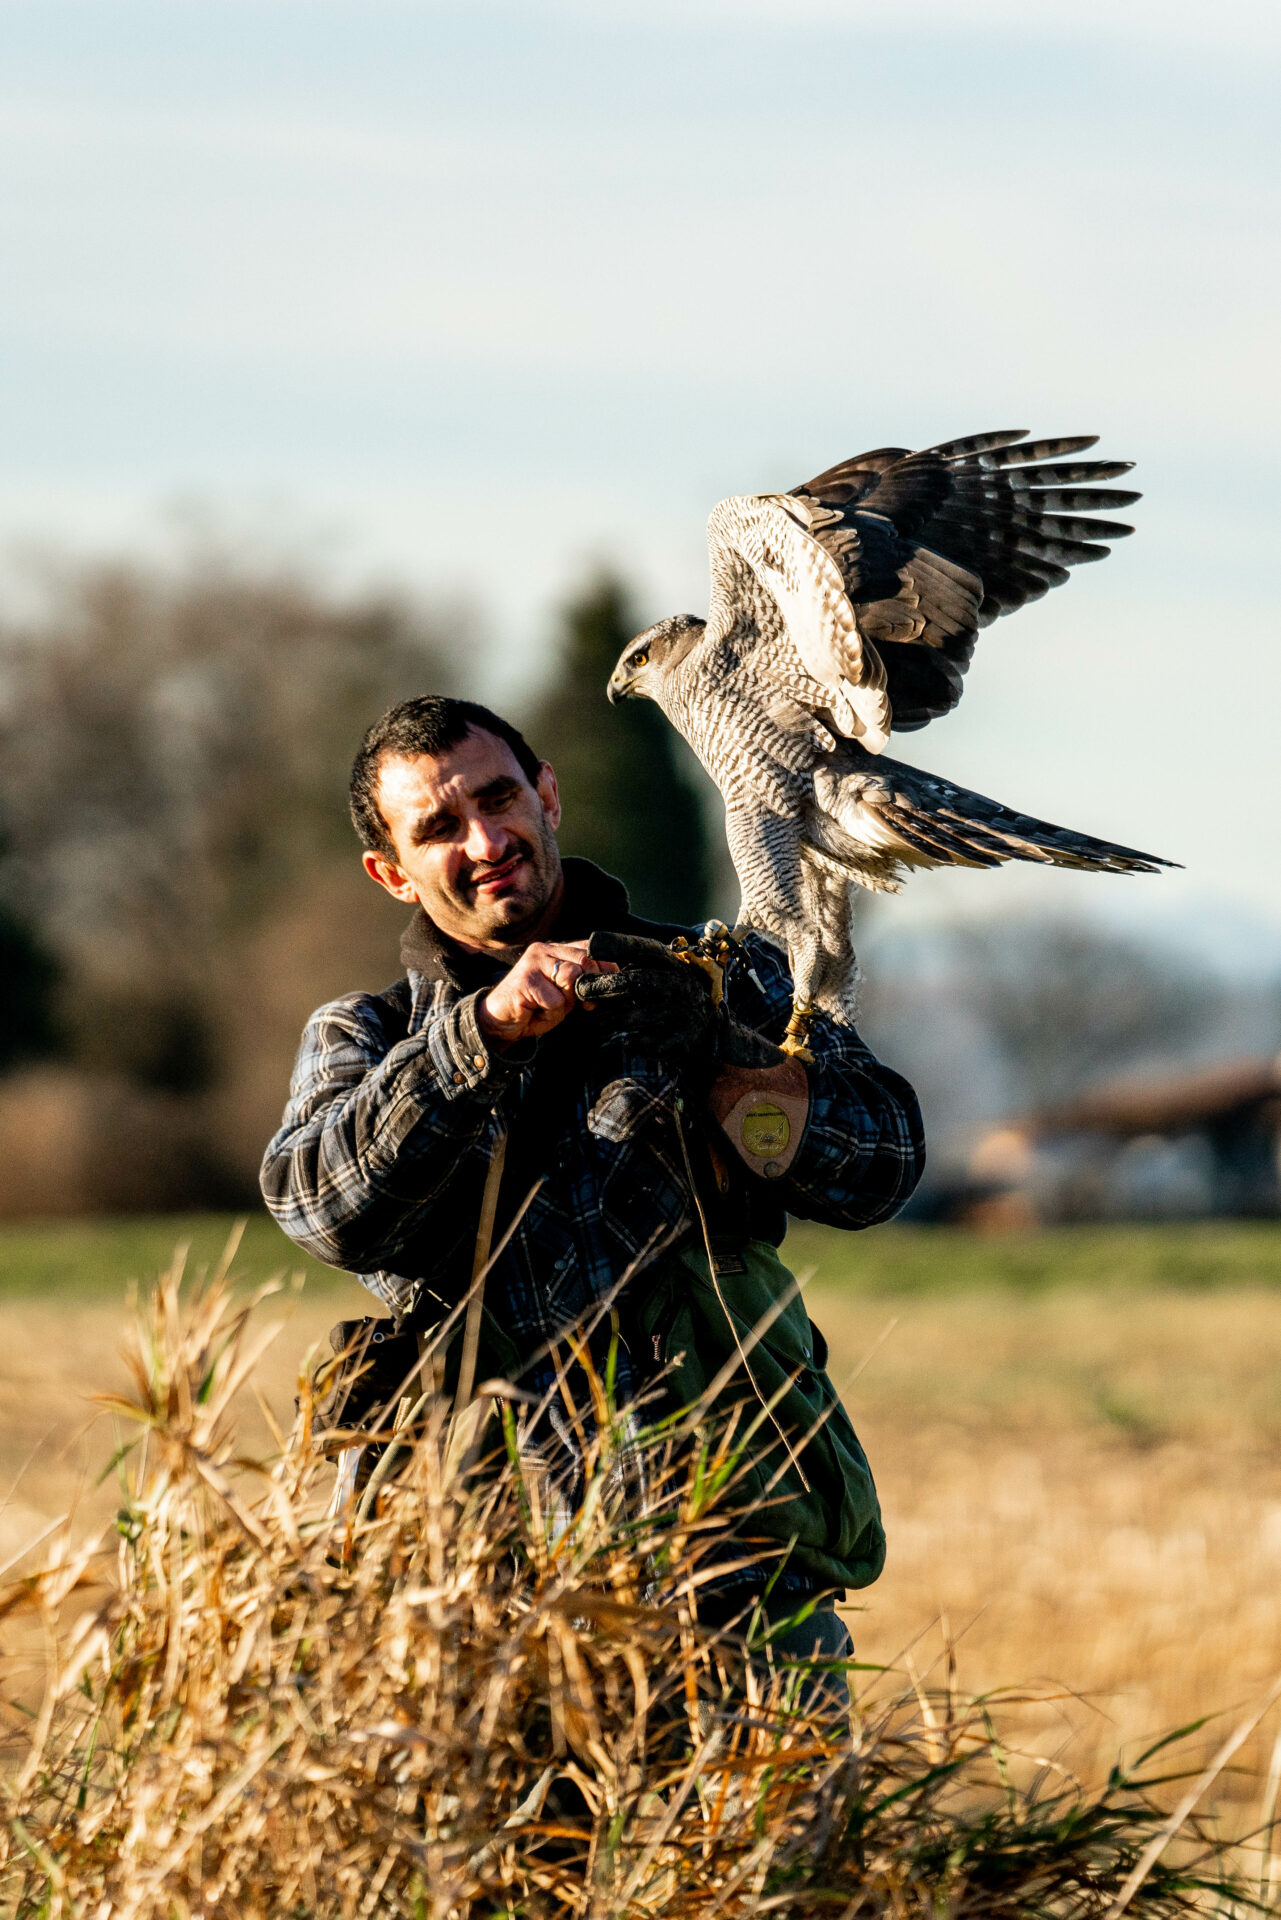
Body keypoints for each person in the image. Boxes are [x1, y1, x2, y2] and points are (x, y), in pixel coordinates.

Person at [260, 694, 924, 1671]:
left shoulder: (724, 975)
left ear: (549, 796)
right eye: (439, 827)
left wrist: (721, 1057)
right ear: (390, 873)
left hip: (734, 1572)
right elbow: (322, 1209)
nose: (485, 839)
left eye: (498, 798)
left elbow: (882, 1164)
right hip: (474, 1606)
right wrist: (475, 1041)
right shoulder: (366, 1036)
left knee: (774, 1828)